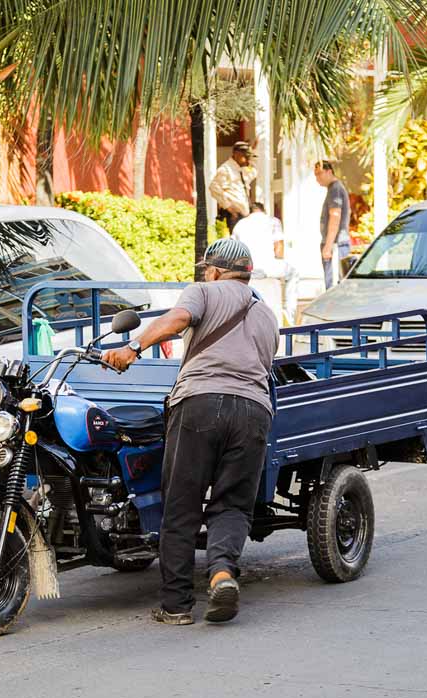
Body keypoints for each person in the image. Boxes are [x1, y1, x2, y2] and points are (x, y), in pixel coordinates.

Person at [102, 238, 278, 626]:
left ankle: (177, 605)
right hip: (253, 410)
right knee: (231, 506)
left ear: (214, 271)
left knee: (181, 505)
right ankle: (220, 574)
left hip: (199, 402)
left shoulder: (202, 292)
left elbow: (177, 319)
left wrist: (133, 347)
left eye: (206, 270)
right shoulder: (267, 314)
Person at [232, 201, 300, 325]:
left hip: (247, 269)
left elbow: (235, 251)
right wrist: (278, 263)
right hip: (268, 268)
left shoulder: (240, 224)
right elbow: (279, 248)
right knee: (294, 273)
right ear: (263, 210)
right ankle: (290, 314)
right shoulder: (273, 221)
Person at [315, 160, 352, 289]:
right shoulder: (334, 189)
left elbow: (335, 216)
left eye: (319, 174)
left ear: (329, 171)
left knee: (334, 286)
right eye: (315, 175)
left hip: (337, 244)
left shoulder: (335, 189)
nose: (317, 178)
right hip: (336, 243)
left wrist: (328, 245)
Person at [208, 141, 257, 232]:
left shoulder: (242, 170)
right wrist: (228, 207)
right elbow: (213, 187)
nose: (247, 160)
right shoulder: (225, 169)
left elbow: (253, 172)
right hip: (233, 215)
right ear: (237, 154)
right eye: (245, 156)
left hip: (243, 214)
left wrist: (253, 154)